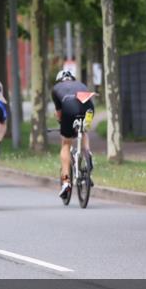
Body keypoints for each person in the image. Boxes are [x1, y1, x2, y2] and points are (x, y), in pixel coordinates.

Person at [51, 69, 95, 201]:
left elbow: (59, 114)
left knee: (66, 144)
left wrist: (62, 124)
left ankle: (66, 182)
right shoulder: (81, 85)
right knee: (83, 130)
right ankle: (87, 155)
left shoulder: (56, 88)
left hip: (69, 106)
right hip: (89, 108)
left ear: (59, 80)